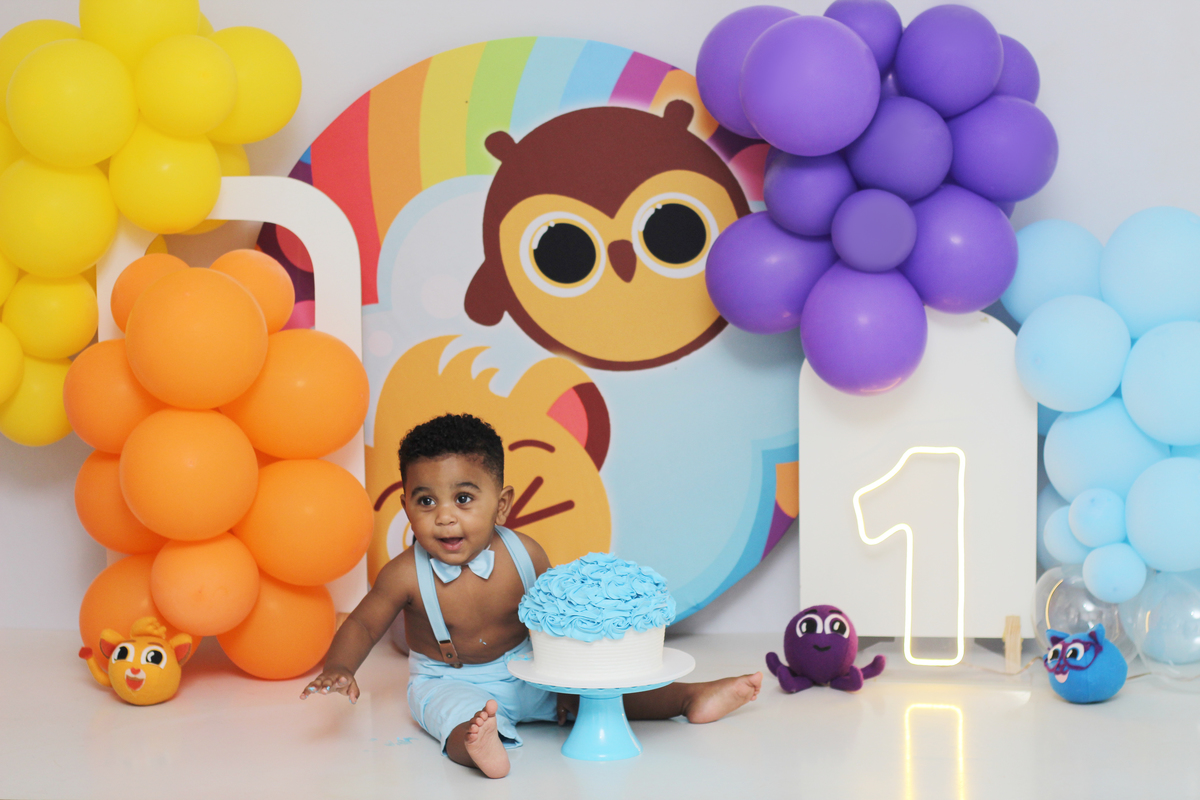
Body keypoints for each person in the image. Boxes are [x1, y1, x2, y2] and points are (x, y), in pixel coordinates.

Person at [302, 413, 762, 778]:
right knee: (457, 717)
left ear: (501, 504)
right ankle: (477, 748)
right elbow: (363, 624)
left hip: (527, 669)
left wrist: (564, 676)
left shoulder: (525, 555)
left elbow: (556, 617)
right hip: (450, 679)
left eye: (463, 498)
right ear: (405, 506)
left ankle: (688, 698)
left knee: (599, 694)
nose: (444, 517)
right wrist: (340, 667)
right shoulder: (403, 574)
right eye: (426, 501)